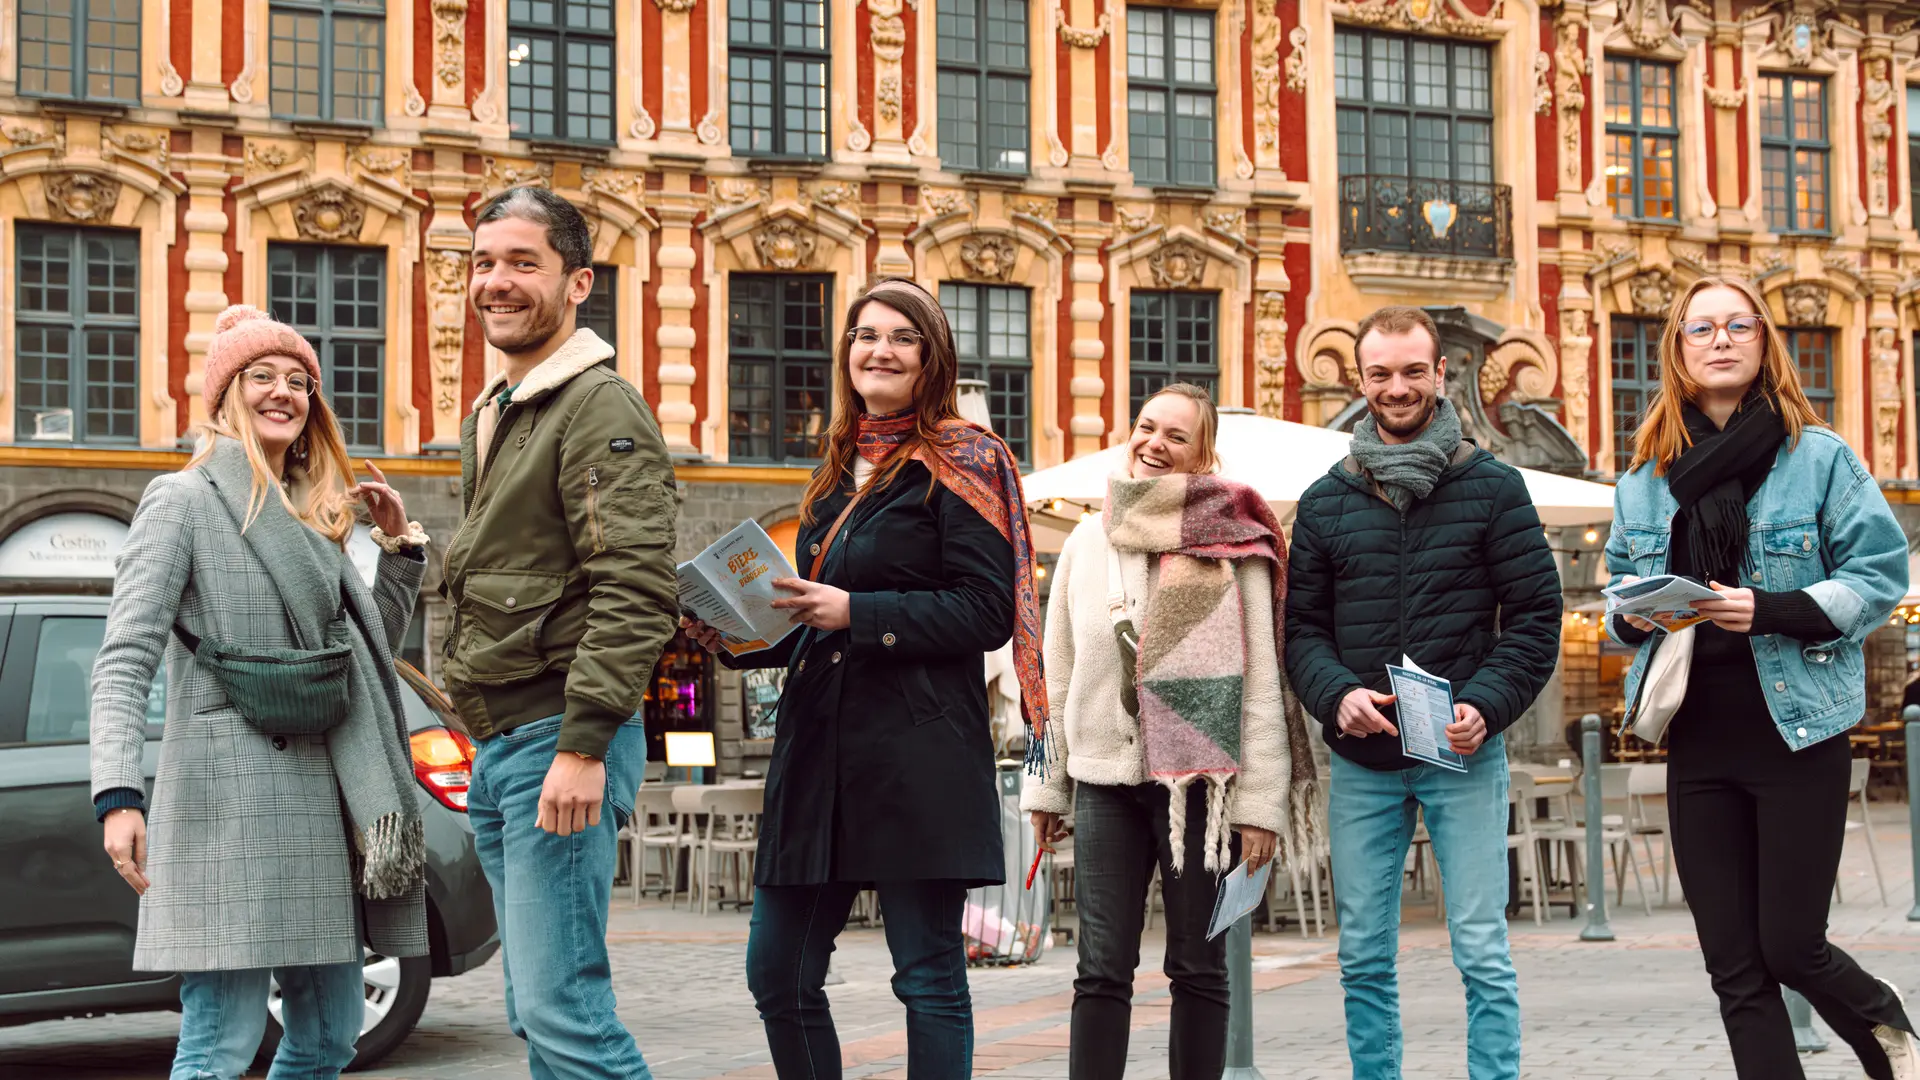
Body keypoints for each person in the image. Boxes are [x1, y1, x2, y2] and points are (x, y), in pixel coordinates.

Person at [683, 277, 1046, 1079]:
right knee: (777, 975)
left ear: (931, 358)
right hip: (818, 758)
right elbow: (809, 625)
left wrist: (858, 610)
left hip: (917, 758)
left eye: (901, 338)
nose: (878, 350)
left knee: (928, 979)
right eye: (864, 335)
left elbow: (986, 612)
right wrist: (736, 635)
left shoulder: (967, 459)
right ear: (845, 352)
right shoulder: (834, 473)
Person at [91, 304, 430, 1080]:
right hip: (226, 809)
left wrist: (399, 551)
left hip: (321, 808)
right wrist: (117, 794)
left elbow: (357, 654)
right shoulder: (183, 501)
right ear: (225, 396)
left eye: (300, 383)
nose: (284, 393)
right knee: (219, 1045)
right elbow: (124, 656)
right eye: (262, 378)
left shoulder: (316, 513)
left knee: (329, 1039)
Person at [1606, 276, 1920, 1080]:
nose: (1720, 340)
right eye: (1701, 328)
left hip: (1799, 730)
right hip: (1696, 738)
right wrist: (1634, 617)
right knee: (1734, 967)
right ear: (1678, 349)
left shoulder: (1818, 458)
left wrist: (1773, 607)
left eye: (1737, 326)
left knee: (1790, 946)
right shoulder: (1645, 478)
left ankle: (1882, 1019)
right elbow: (1614, 594)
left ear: (1762, 342)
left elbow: (1881, 572)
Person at [1284, 305, 1561, 1080]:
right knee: (1363, 952)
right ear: (1361, 380)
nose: (1397, 387)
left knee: (1480, 947)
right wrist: (1335, 693)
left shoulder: (1495, 488)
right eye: (1381, 374)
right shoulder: (1327, 499)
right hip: (1365, 757)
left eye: (1413, 371)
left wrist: (1488, 703)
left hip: (1463, 753)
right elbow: (1300, 628)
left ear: (1442, 375)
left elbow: (1538, 616)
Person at [442, 186, 678, 1080]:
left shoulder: (596, 406)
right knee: (534, 1011)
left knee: (562, 1008)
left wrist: (583, 744)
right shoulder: (499, 409)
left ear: (578, 282)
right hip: (504, 744)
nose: (496, 282)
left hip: (555, 737)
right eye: (483, 263)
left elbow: (636, 587)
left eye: (522, 263)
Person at [1021, 382, 1320, 1080]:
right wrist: (1044, 787)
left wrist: (1258, 806)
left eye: (1175, 436)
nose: (1154, 443)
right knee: (1099, 968)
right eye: (1146, 427)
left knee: (1198, 965)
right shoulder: (1088, 541)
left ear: (1202, 453)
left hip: (1202, 791)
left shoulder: (1235, 545)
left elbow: (1259, 691)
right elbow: (1054, 676)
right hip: (1102, 781)